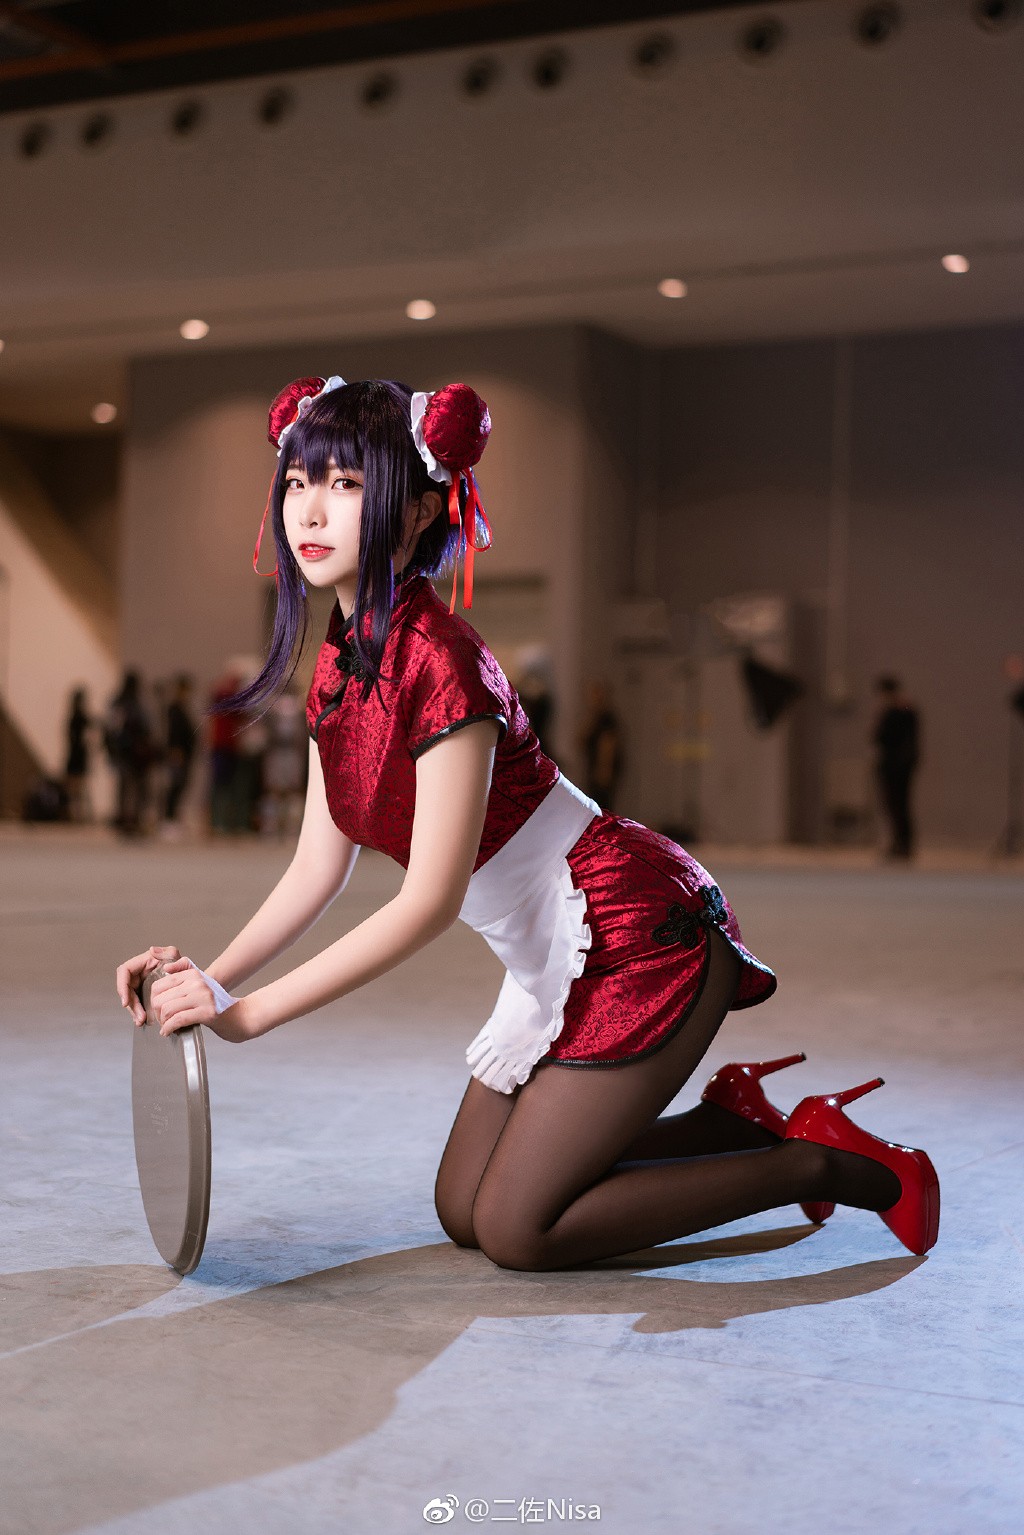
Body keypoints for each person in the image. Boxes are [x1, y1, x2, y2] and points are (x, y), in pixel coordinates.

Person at [116, 375, 939, 1270]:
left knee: (517, 1229)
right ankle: (731, 1124)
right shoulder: (340, 666)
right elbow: (317, 867)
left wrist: (250, 1015)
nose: (309, 509)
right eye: (297, 481)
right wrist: (210, 978)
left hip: (633, 930)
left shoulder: (442, 662)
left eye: (347, 483)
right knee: (463, 1208)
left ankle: (829, 1162)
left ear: (419, 510)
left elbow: (428, 903)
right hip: (549, 953)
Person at [873, 675, 921, 860]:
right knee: (896, 806)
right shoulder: (904, 710)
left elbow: (880, 737)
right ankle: (900, 843)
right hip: (898, 765)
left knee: (898, 805)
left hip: (896, 766)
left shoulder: (898, 711)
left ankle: (902, 844)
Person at [104, 670, 153, 837]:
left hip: (122, 752)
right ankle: (132, 818)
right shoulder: (134, 705)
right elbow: (145, 728)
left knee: (124, 786)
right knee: (135, 786)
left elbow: (110, 728)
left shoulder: (118, 703)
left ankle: (124, 816)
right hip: (132, 753)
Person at [578, 679, 624, 812]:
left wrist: (604, 769)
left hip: (601, 770)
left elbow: (608, 745)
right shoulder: (595, 718)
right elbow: (581, 740)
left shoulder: (607, 719)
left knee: (602, 806)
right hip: (593, 768)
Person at [162, 674, 197, 833]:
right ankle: (168, 819)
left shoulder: (182, 707)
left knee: (181, 785)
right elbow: (174, 732)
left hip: (185, 754)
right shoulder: (175, 708)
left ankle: (173, 817)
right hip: (178, 754)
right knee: (175, 786)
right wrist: (176, 750)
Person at [64, 687, 93, 823]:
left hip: (78, 756)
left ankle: (78, 815)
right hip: (76, 756)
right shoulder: (78, 718)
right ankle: (76, 815)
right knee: (75, 789)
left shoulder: (81, 718)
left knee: (78, 789)